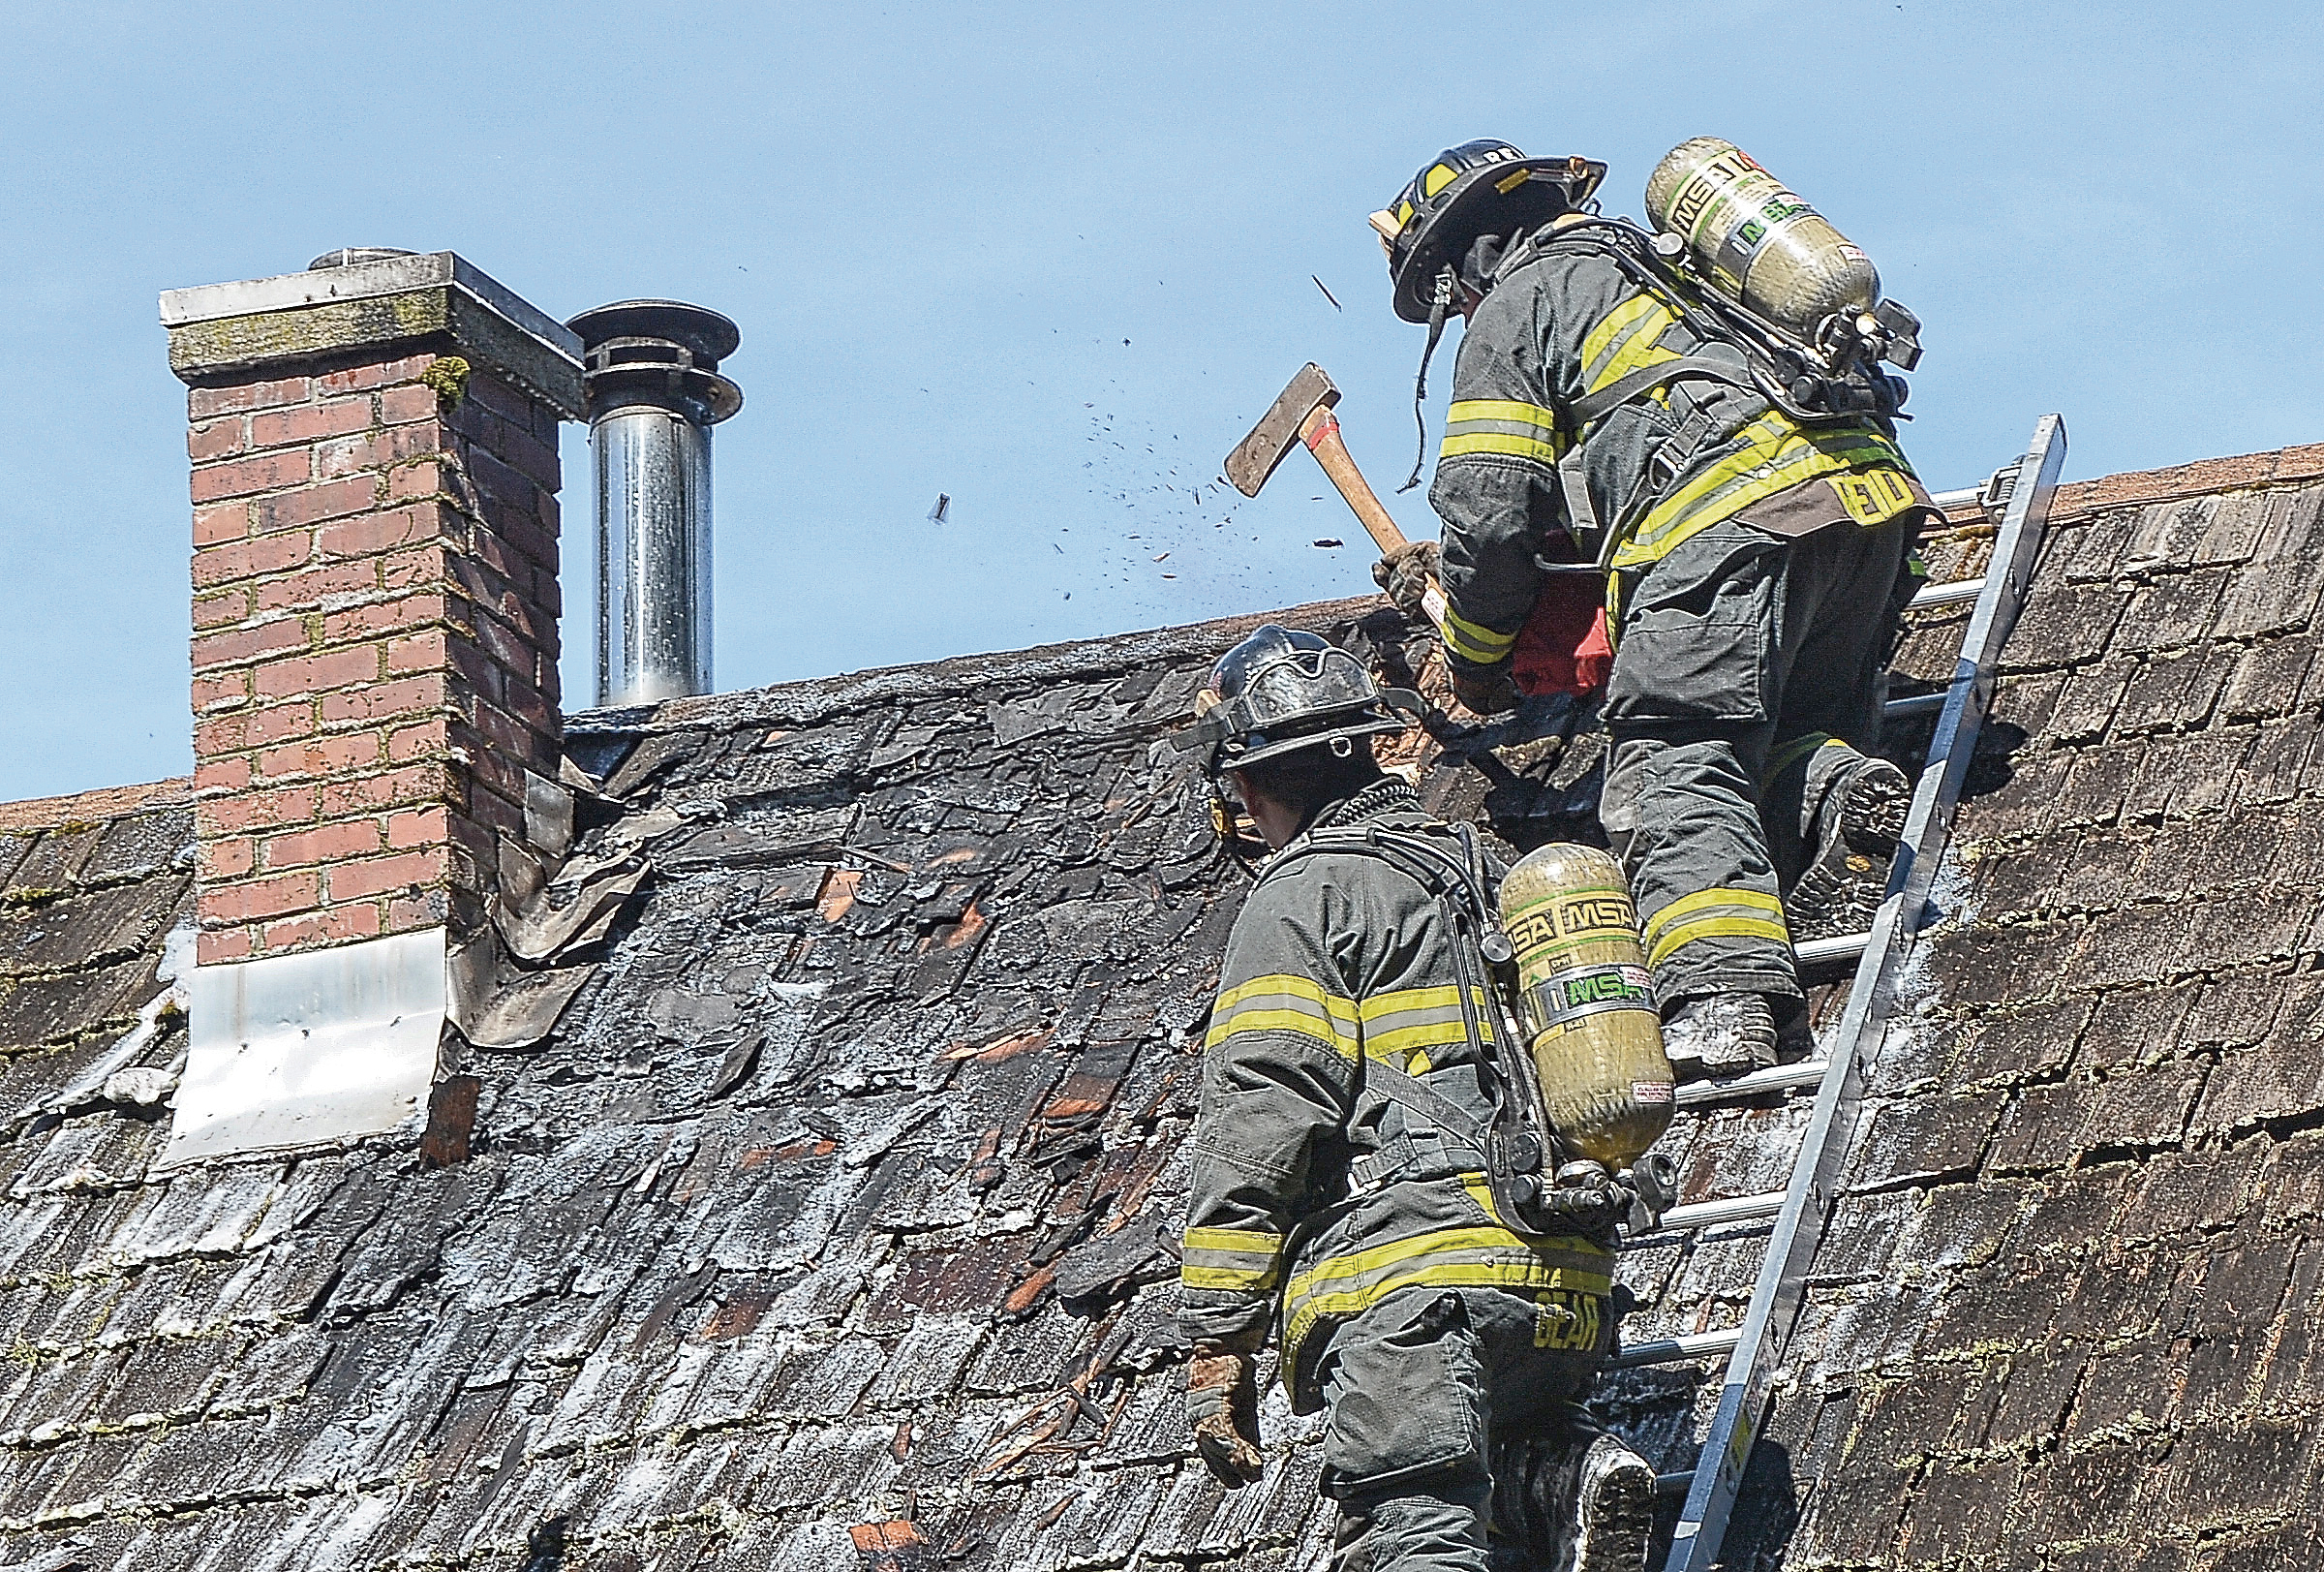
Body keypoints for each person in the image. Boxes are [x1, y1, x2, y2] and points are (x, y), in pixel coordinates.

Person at [1368, 139, 1937, 1078]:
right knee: (1777, 734)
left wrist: (1471, 657)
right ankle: (1841, 794)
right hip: (1865, 509)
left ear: (1466, 258)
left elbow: (1488, 512)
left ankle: (1719, 998)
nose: (1458, 312)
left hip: (1726, 521)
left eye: (1447, 294)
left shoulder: (1517, 303)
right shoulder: (1657, 266)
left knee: (1679, 757)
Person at [1174, 623, 1655, 1572]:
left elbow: (1261, 1118)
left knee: (1409, 1531)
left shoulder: (1300, 896)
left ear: (1248, 785)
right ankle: (1559, 1474)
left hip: (1414, 1291)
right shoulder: (1481, 867)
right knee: (1488, 1472)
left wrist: (1218, 1335)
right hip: (1563, 1282)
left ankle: (1535, 1479)